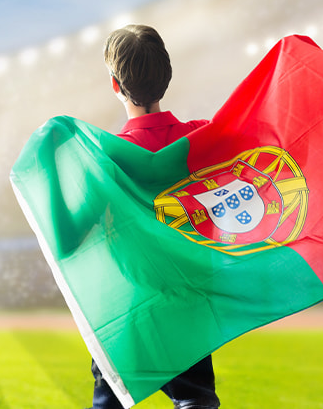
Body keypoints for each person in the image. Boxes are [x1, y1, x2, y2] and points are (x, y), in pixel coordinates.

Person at [90, 24, 220, 409]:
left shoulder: (105, 158)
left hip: (131, 306)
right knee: (196, 401)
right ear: (166, 78)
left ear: (115, 85)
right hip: (190, 301)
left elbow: (71, 233)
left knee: (109, 402)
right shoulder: (204, 138)